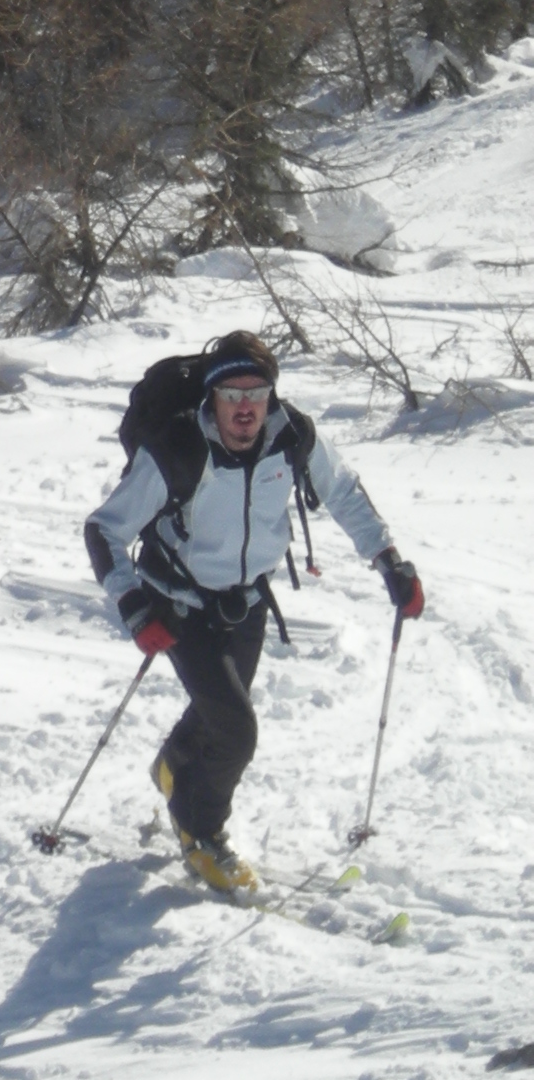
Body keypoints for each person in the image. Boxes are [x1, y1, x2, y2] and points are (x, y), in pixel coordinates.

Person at [82, 329, 423, 892]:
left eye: (257, 393)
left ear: (271, 395)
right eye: (231, 393)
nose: (245, 407)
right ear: (212, 397)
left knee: (219, 710)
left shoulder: (292, 437)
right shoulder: (177, 449)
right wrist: (135, 606)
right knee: (236, 731)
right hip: (179, 603)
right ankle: (199, 830)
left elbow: (342, 491)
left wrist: (389, 560)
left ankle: (173, 765)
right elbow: (103, 529)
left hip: (248, 601)